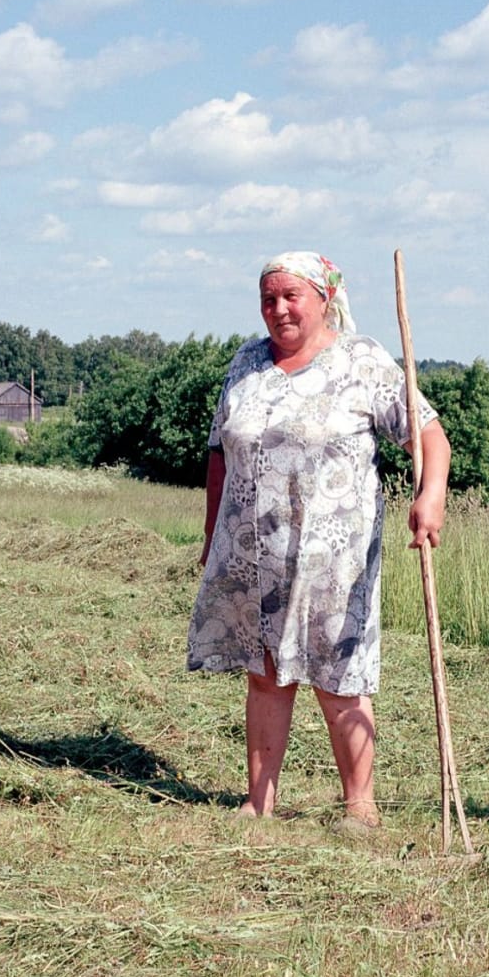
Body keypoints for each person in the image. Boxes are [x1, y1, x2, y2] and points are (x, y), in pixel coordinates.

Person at [189, 252, 451, 831]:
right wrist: (212, 534)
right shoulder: (246, 362)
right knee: (266, 673)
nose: (278, 310)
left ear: (324, 298)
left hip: (334, 558)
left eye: (291, 297)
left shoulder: (362, 360)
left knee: (340, 678)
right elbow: (218, 453)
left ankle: (360, 805)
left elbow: (429, 435)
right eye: (268, 299)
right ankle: (259, 801)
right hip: (253, 553)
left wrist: (429, 498)